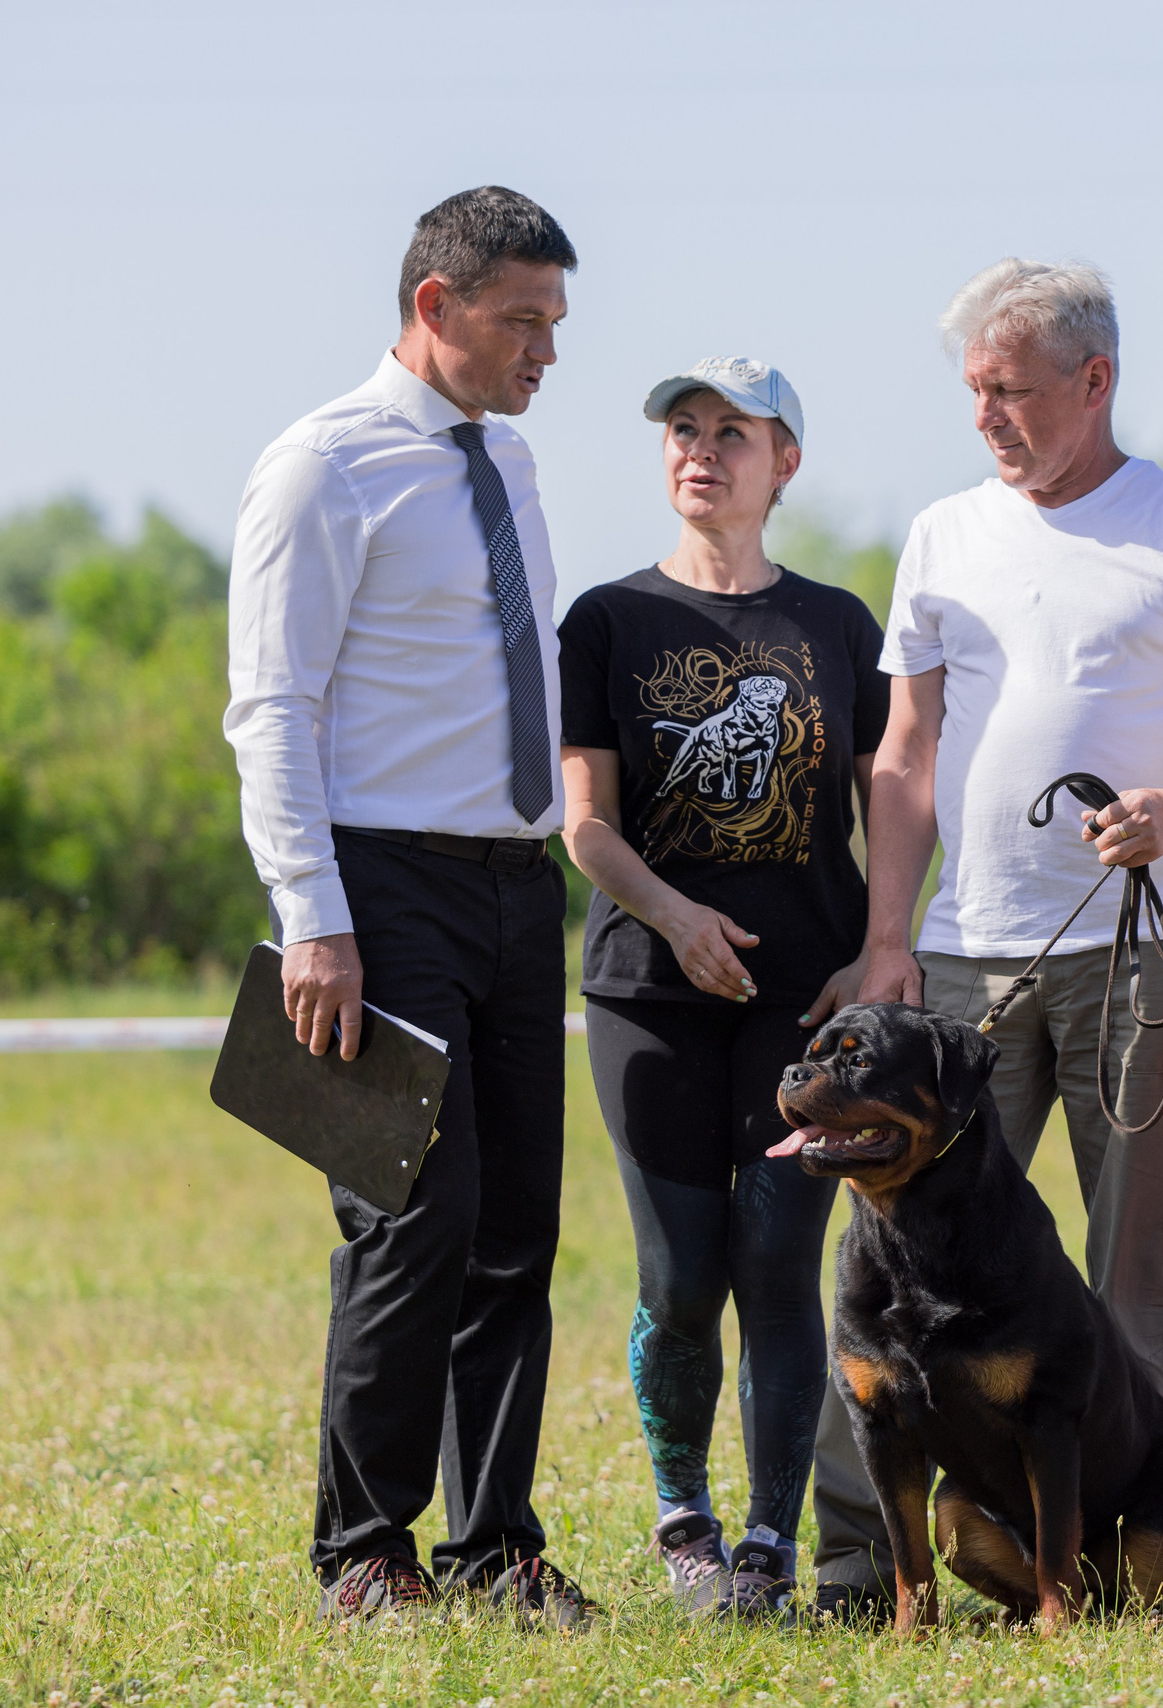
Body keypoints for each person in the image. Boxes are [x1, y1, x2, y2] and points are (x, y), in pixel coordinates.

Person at [812, 259, 1163, 1617]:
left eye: (1014, 392)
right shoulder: (938, 536)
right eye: (974, 393)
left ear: (1096, 382)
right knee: (883, 1267)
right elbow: (904, 755)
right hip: (968, 958)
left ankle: (1146, 1566)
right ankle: (862, 1568)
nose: (988, 417)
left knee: (1131, 1267)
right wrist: (886, 938)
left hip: (1147, 955)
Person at [224, 186, 591, 1623]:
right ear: (435, 307)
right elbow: (272, 705)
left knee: (514, 1232)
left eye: (557, 324)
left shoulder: (512, 466)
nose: (545, 353)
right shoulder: (322, 467)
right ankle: (363, 1554)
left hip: (515, 889)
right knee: (410, 1224)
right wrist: (311, 910)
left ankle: (494, 1550)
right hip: (379, 891)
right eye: (523, 322)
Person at [555, 358, 886, 1621]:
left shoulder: (839, 626)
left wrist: (885, 942)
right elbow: (583, 823)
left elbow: (887, 801)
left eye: (730, 433)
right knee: (682, 1277)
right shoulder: (605, 620)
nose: (701, 450)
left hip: (806, 995)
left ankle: (764, 1544)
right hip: (649, 986)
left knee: (776, 1263)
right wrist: (677, 916)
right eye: (682, 431)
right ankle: (680, 1513)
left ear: (782, 461)